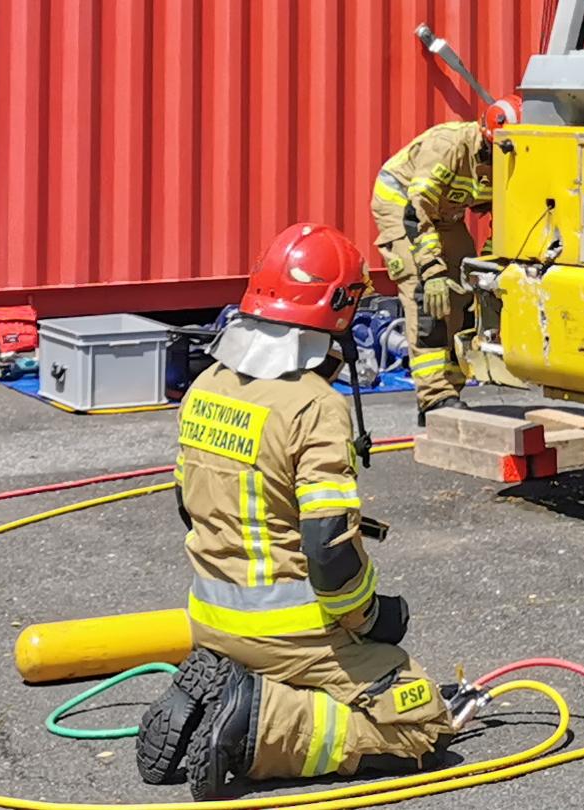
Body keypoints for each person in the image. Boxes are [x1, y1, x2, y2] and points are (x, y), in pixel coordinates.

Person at [136, 223, 454, 799]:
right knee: (422, 720)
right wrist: (367, 618)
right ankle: (256, 726)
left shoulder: (207, 385)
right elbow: (329, 547)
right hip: (291, 632)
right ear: (338, 307)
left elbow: (188, 505)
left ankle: (225, 688)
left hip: (209, 620)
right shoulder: (314, 405)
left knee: (353, 680)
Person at [370, 97, 520, 423]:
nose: (497, 159)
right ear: (485, 137)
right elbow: (416, 211)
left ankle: (452, 389)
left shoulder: (511, 155)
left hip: (446, 214)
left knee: (464, 289)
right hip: (403, 206)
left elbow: (506, 213)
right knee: (425, 294)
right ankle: (434, 398)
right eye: (493, 151)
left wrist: (492, 264)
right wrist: (432, 270)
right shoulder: (449, 146)